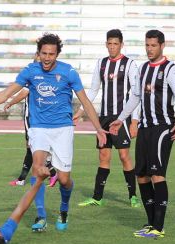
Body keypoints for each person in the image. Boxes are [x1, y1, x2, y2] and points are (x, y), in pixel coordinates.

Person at [0, 33, 107, 232]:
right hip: (38, 127)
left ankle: (64, 208)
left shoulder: (69, 72)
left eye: (51, 54)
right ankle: (41, 216)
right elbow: (6, 93)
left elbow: (85, 101)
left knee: (64, 180)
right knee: (38, 169)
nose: (47, 58)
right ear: (38, 53)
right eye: (44, 53)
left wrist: (98, 128)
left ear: (57, 54)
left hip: (62, 129)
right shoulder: (30, 71)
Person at [109, 30, 175, 238]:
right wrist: (121, 118)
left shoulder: (171, 69)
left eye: (153, 45)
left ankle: (159, 227)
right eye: (147, 45)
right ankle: (151, 223)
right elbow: (135, 97)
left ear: (162, 46)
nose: (149, 49)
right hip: (145, 128)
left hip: (163, 128)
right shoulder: (143, 69)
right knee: (142, 176)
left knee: (157, 174)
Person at [73, 29, 141, 208]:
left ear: (121, 44)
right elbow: (94, 90)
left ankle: (132, 196)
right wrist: (80, 111)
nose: (112, 47)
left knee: (124, 156)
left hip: (122, 118)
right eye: (109, 44)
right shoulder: (101, 63)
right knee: (103, 155)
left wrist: (134, 121)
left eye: (115, 44)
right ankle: (97, 197)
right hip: (104, 118)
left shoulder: (130, 64)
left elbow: (136, 94)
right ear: (106, 44)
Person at [4, 87, 58, 187]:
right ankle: (22, 178)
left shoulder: (32, 76)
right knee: (30, 148)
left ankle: (53, 173)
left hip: (32, 118)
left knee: (33, 148)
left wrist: (11, 102)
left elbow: (24, 92)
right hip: (42, 117)